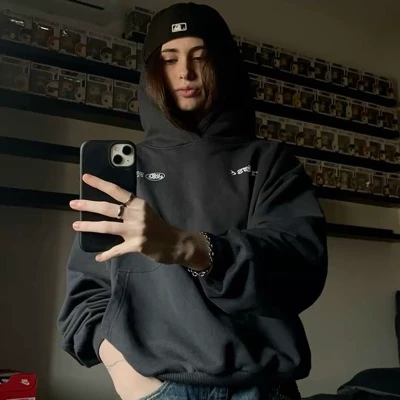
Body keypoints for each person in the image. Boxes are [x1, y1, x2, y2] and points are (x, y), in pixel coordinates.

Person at [57, 2, 328, 400]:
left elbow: (300, 268)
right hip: (158, 389)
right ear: (153, 72)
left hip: (261, 388)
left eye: (200, 57)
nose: (185, 72)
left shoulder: (269, 162)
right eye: (169, 59)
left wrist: (190, 248)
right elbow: (85, 296)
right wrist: (122, 369)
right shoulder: (125, 173)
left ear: (223, 65)